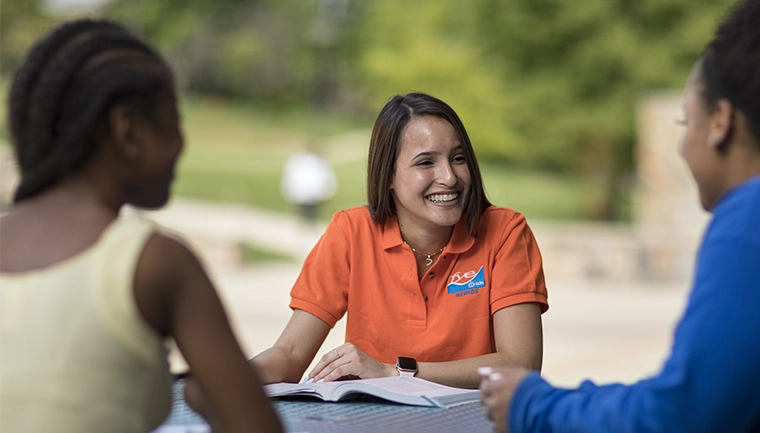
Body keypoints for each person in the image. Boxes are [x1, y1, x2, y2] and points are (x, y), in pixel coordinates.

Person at [479, 0, 760, 431]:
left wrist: (533, 407)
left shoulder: (746, 221)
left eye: (687, 123)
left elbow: (684, 414)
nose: (683, 146)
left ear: (721, 122)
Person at [0, 19, 281, 433]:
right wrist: (208, 397)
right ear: (127, 130)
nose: (182, 143)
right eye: (173, 120)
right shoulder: (155, 260)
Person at [252, 92, 549, 389]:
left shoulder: (506, 230)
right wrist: (223, 377)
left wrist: (394, 372)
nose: (449, 177)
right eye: (426, 162)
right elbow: (290, 354)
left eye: (458, 158)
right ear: (388, 175)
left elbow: (521, 364)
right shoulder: (351, 231)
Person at [280, 143, 337, 222]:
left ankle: (310, 223)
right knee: (303, 210)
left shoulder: (319, 160)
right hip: (302, 189)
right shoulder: (299, 159)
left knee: (313, 211)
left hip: (313, 191)